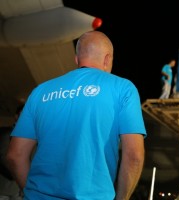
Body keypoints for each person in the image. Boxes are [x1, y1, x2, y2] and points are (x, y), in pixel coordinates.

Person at [6, 31, 147, 200]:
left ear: (76, 59)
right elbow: (134, 156)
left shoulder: (40, 92)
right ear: (107, 59)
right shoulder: (123, 89)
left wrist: (31, 193)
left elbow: (15, 156)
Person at [0, 104, 24, 200]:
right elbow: (4, 159)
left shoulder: (32, 137)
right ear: (16, 116)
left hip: (18, 189)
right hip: (4, 189)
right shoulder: (5, 133)